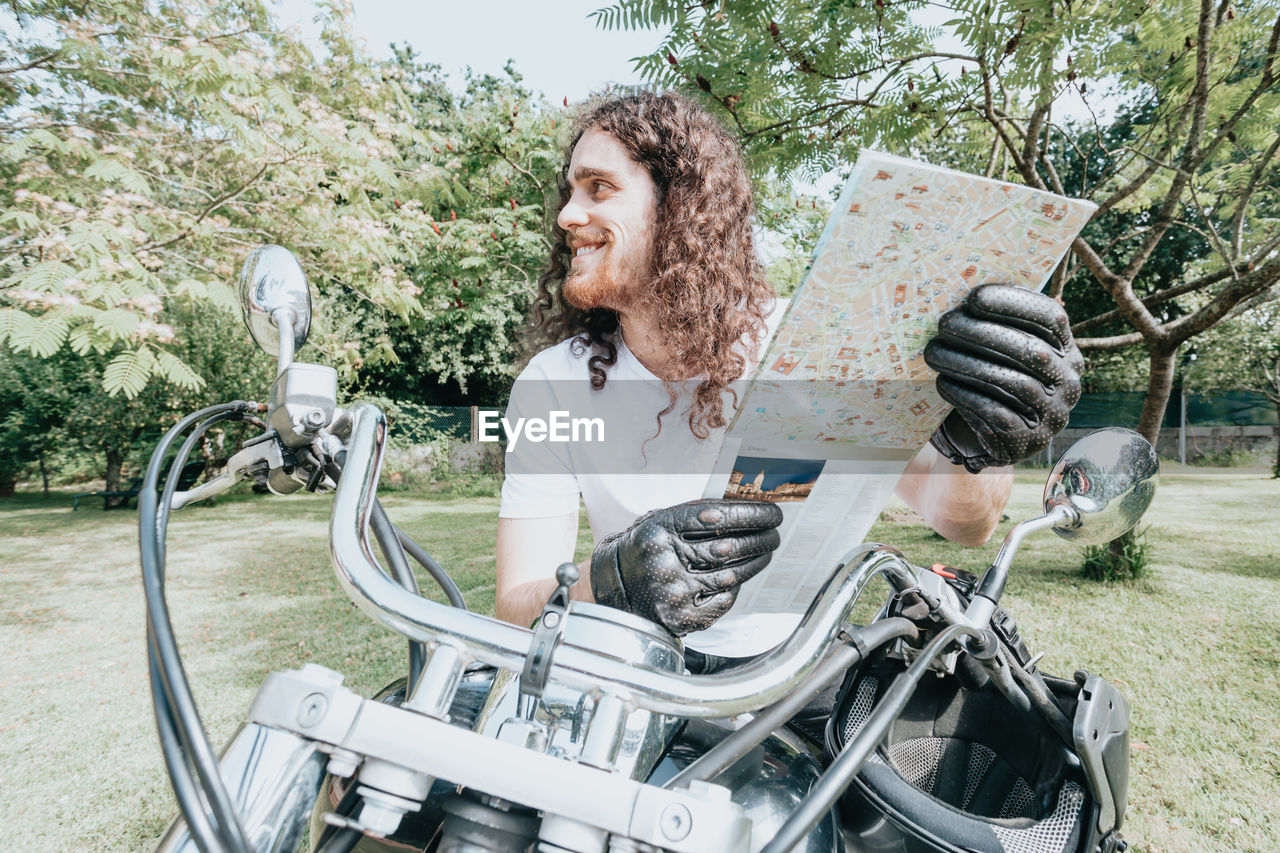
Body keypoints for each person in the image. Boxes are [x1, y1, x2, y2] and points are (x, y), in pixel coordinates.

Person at [494, 91, 1082, 667]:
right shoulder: (550, 384)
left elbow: (966, 524)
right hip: (642, 666)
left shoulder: (816, 346)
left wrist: (983, 443)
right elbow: (514, 606)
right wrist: (612, 578)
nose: (568, 215)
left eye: (599, 188)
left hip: (810, 669)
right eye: (571, 191)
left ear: (677, 207)